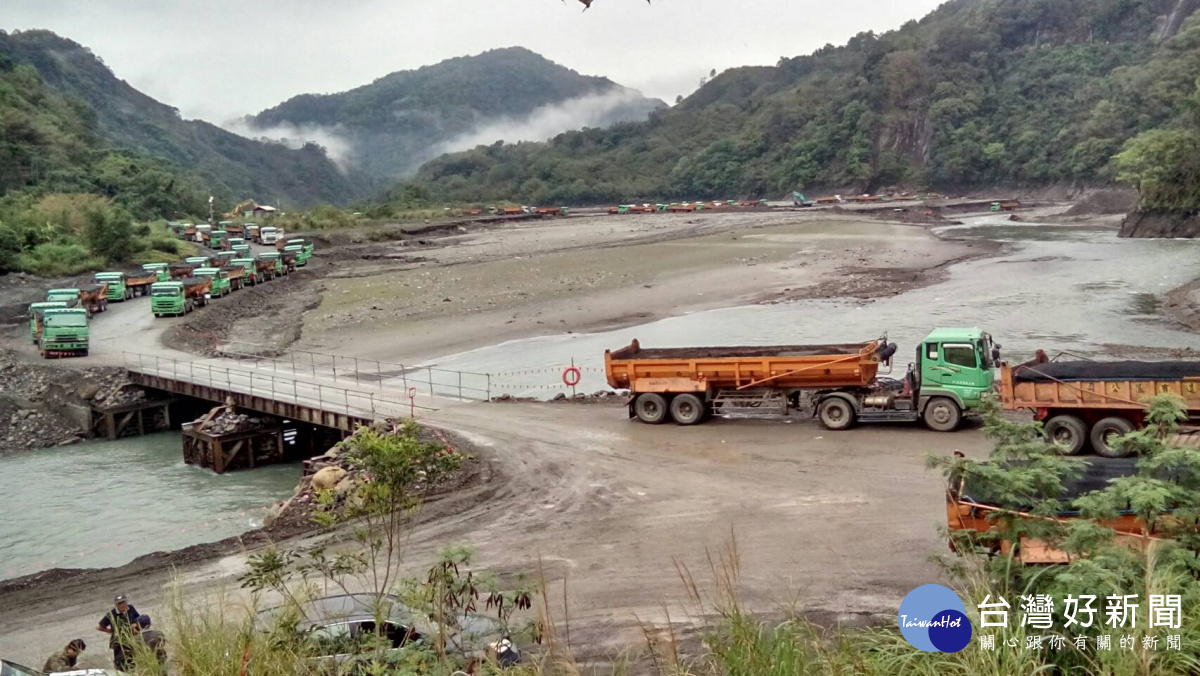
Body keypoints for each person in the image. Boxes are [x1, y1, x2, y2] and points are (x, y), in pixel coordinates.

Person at [97, 594, 140, 671]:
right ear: (116, 604)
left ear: (126, 602)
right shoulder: (111, 614)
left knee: (133, 660)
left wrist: (135, 624)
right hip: (119, 642)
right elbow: (99, 627)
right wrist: (112, 631)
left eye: (123, 602)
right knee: (120, 662)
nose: (122, 605)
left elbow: (138, 619)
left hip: (132, 639)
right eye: (119, 603)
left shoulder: (131, 608)